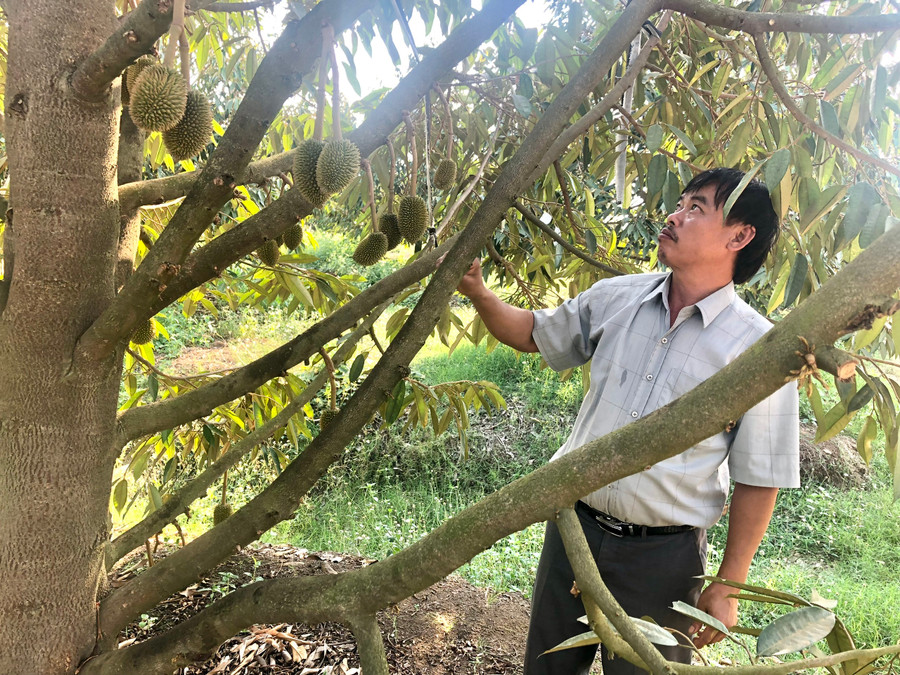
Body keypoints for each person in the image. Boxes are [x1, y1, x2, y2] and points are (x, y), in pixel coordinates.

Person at [453, 168, 800, 674]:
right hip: (573, 532)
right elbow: (534, 333)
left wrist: (727, 584)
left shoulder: (760, 353)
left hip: (664, 561)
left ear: (739, 236)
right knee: (547, 668)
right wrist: (481, 294)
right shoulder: (619, 297)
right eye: (680, 203)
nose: (675, 216)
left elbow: (759, 479)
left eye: (696, 208)